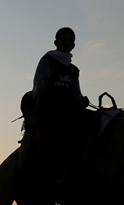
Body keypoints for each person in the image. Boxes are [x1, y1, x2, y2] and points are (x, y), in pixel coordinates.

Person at [18, 27, 91, 187]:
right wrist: (50, 80)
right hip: (47, 107)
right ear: (56, 42)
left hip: (66, 108)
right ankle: (58, 174)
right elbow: (38, 86)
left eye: (71, 40)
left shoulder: (73, 70)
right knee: (63, 131)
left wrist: (82, 101)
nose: (67, 42)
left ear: (73, 45)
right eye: (64, 39)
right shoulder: (47, 61)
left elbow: (75, 93)